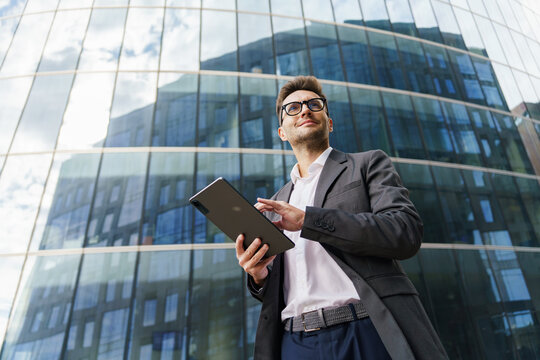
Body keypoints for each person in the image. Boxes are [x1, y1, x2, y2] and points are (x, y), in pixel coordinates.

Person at [235, 76, 448, 360]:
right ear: (282, 132)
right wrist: (259, 275)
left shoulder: (367, 164)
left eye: (314, 104)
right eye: (293, 108)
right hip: (294, 343)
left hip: (366, 330)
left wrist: (309, 220)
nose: (305, 110)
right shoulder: (277, 201)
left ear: (329, 122)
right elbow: (286, 286)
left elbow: (404, 231)